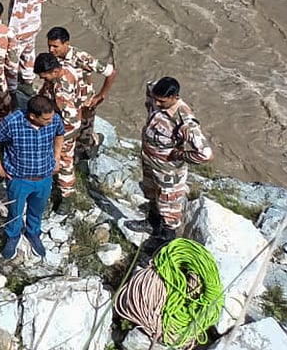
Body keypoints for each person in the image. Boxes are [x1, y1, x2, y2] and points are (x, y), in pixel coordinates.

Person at [130, 76, 213, 241]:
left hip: (168, 172)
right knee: (152, 196)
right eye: (155, 100)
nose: (157, 104)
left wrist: (180, 154)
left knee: (169, 208)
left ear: (174, 97)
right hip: (150, 163)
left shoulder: (184, 121)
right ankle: (152, 224)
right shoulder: (155, 94)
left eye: (161, 101)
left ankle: (166, 241)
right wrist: (151, 102)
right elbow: (150, 85)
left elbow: (206, 154)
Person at [0, 95, 64, 261]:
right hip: (19, 179)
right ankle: (13, 236)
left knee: (37, 209)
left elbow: (59, 134)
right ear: (32, 116)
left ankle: (33, 233)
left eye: (51, 117)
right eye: (46, 119)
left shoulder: (54, 119)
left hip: (44, 177)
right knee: (15, 211)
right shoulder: (12, 122)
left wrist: (57, 157)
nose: (50, 121)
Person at [46, 26, 117, 159]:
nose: (51, 50)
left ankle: (90, 148)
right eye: (49, 46)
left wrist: (101, 95)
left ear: (66, 43)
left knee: (83, 137)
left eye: (55, 46)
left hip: (84, 103)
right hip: (63, 101)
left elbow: (110, 72)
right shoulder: (53, 58)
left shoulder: (81, 58)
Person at [32, 52, 89, 214]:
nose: (43, 80)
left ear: (54, 72)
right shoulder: (67, 68)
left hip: (65, 129)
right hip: (71, 114)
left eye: (44, 77)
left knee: (64, 161)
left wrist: (56, 135)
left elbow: (70, 119)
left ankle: (66, 196)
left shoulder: (61, 92)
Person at [7, 0, 59, 92]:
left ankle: (12, 91)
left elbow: (16, 14)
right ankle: (28, 82)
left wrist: (11, 35)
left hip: (21, 31)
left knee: (12, 62)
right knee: (29, 54)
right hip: (34, 25)